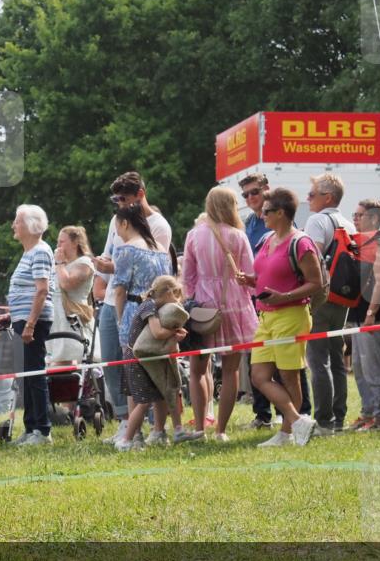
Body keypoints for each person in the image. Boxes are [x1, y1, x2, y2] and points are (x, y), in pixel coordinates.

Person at [236, 188, 321, 447]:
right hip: (266, 316)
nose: (262, 215)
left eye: (267, 211)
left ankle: (287, 433)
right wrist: (251, 280)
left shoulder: (301, 243)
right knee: (259, 376)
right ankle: (297, 421)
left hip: (291, 315)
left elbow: (315, 283)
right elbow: (266, 274)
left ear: (281, 213)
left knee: (289, 376)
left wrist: (284, 297)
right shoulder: (267, 239)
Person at [94, 171, 173, 444]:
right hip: (117, 302)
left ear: (140, 195)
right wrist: (103, 272)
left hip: (134, 307)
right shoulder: (118, 221)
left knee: (139, 372)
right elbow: (110, 256)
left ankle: (144, 429)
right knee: (118, 366)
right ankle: (128, 425)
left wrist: (114, 269)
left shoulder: (158, 226)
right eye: (116, 200)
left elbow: (150, 272)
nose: (119, 204)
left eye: (123, 199)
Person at [182, 187, 258, 441]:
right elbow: (250, 274)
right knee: (230, 370)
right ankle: (221, 430)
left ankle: (199, 428)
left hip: (203, 307)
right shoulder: (238, 235)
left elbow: (187, 277)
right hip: (234, 304)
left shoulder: (194, 235)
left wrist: (191, 301)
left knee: (197, 369)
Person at [109, 203, 177, 446]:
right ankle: (159, 431)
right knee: (159, 371)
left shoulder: (126, 250)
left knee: (134, 378)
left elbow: (119, 291)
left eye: (117, 226)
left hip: (134, 314)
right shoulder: (160, 249)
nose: (117, 232)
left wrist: (120, 320)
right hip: (159, 313)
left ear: (125, 223)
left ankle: (135, 434)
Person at [303, 173, 355, 434]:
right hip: (343, 299)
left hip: (321, 299)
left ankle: (324, 421)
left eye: (312, 194)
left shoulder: (317, 221)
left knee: (317, 360)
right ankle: (339, 419)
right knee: (337, 359)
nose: (308, 198)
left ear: (328, 197)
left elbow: (311, 261)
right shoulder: (349, 224)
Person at [1, 204, 55, 447]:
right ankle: (31, 427)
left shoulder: (40, 251)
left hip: (34, 322)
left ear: (32, 226)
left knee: (34, 374)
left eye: (18, 221)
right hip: (23, 320)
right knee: (26, 376)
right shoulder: (30, 252)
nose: (13, 225)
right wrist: (13, 316)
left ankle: (42, 430)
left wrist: (30, 324)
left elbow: (42, 290)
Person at [117, 276, 190, 451]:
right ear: (169, 292)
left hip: (144, 359)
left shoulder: (153, 307)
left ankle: (157, 434)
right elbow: (157, 332)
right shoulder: (148, 306)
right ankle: (126, 440)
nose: (177, 301)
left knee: (158, 396)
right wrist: (175, 331)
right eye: (176, 295)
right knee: (143, 402)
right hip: (136, 360)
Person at [347, 199, 380, 431]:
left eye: (360, 215)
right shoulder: (362, 243)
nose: (355, 219)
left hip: (377, 316)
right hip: (359, 314)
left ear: (374, 218)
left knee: (375, 367)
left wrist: (371, 312)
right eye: (355, 215)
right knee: (359, 366)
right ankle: (368, 414)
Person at [48, 226, 95, 365]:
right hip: (57, 320)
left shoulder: (84, 263)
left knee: (70, 360)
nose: (58, 245)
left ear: (75, 243)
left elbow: (67, 284)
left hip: (73, 320)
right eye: (57, 242)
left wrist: (59, 263)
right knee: (57, 362)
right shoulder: (59, 265)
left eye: (62, 242)